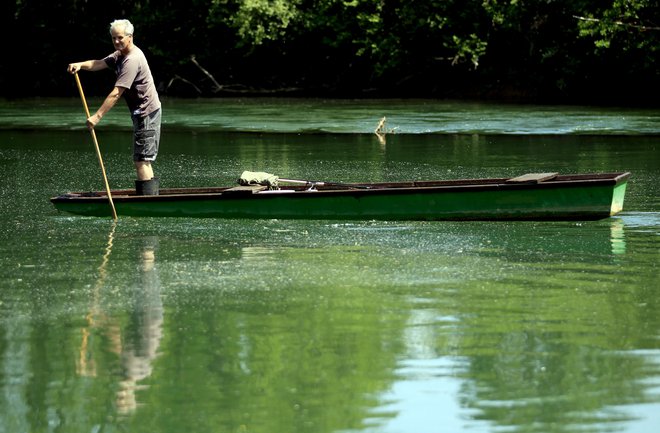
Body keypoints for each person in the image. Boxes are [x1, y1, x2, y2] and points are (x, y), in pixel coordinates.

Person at [68, 19, 161, 195]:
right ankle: (150, 197)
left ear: (130, 37)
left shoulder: (132, 60)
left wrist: (97, 117)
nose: (116, 41)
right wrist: (80, 64)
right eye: (113, 38)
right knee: (143, 159)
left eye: (120, 38)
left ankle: (148, 201)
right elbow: (99, 63)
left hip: (147, 112)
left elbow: (116, 93)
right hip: (141, 113)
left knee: (142, 160)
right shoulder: (120, 54)